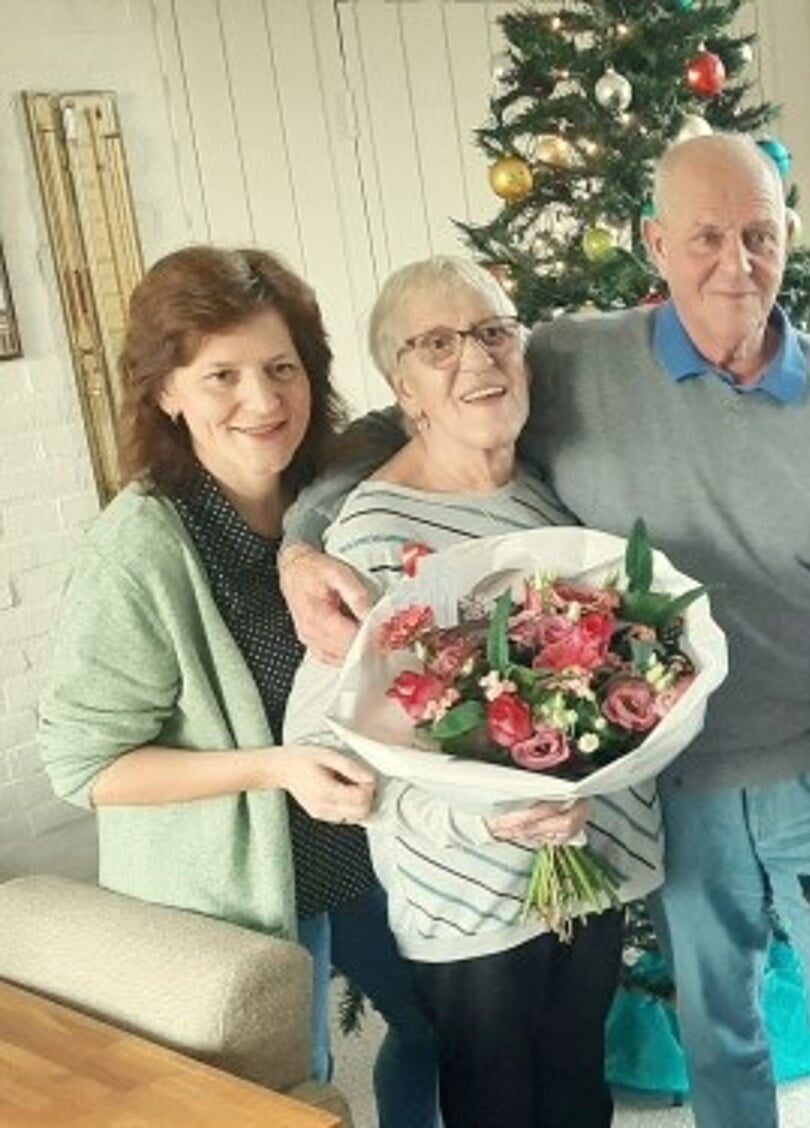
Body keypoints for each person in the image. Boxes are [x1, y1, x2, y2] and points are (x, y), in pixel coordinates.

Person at [278, 135, 810, 1128]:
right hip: (673, 787)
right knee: (715, 1027)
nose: (737, 264)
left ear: (788, 236)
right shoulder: (573, 359)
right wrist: (305, 541)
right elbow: (421, 412)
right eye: (706, 237)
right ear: (653, 243)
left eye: (761, 235)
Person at [37, 245, 440, 1126]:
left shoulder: (336, 491)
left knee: (436, 1030)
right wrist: (275, 767)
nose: (262, 402)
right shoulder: (140, 551)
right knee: (296, 1095)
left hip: (367, 845)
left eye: (281, 368)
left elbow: (410, 408)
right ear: (166, 391)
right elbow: (85, 766)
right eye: (221, 375)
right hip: (242, 881)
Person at [280, 256, 663, 1128]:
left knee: (576, 1089)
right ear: (403, 389)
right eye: (440, 343)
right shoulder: (374, 532)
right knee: (496, 1104)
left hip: (581, 870)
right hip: (468, 897)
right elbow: (327, 746)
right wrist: (477, 816)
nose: (478, 359)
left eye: (494, 332)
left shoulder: (543, 494)